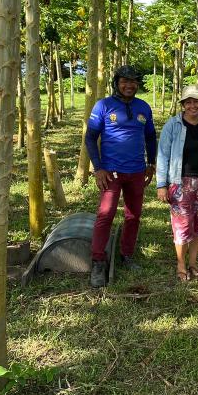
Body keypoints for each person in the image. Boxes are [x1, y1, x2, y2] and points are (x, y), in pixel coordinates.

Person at [85, 65, 157, 288]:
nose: (129, 85)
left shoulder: (143, 107)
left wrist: (151, 163)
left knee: (133, 216)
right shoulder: (104, 105)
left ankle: (127, 255)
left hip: (137, 171)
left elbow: (150, 137)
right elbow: (90, 138)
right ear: (116, 83)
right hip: (111, 172)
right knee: (105, 214)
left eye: (133, 81)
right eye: (125, 81)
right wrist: (98, 168)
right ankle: (98, 261)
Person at [156, 85, 198, 282]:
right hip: (181, 183)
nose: (193, 105)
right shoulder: (173, 125)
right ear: (183, 105)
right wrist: (161, 185)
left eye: (197, 101)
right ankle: (181, 264)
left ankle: (193, 263)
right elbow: (163, 155)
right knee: (182, 225)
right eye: (189, 102)